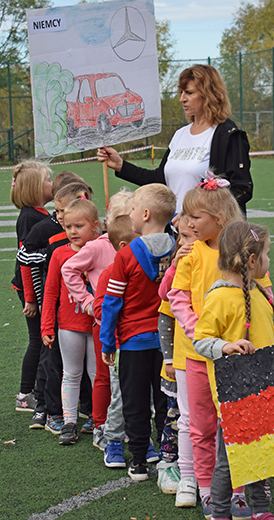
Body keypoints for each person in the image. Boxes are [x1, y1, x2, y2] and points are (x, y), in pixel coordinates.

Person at [192, 221, 274, 520]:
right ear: (251, 259)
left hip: (264, 390)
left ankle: (260, 510)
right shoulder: (220, 297)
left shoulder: (258, 293)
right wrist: (226, 346)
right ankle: (219, 513)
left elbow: (268, 335)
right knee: (229, 461)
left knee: (263, 453)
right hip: (235, 395)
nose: (269, 260)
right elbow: (201, 340)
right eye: (267, 253)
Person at [168, 178, 265, 519]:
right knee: (203, 426)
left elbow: (264, 294)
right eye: (186, 216)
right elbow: (177, 296)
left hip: (237, 359)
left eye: (195, 216)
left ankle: (236, 491)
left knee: (237, 425)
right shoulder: (191, 253)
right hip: (196, 356)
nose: (187, 223)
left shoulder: (245, 251)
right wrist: (200, 333)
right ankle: (209, 490)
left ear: (220, 217)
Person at [97, 64, 252, 213]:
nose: (182, 99)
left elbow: (242, 189)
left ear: (209, 95)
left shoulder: (228, 134)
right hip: (174, 228)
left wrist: (198, 216)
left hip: (207, 230)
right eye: (181, 92)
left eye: (189, 93)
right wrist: (120, 165)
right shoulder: (180, 134)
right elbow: (160, 180)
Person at [100, 184, 177, 481]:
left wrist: (108, 342)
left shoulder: (126, 256)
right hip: (168, 342)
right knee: (166, 401)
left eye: (132, 209)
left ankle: (139, 460)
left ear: (145, 214)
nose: (129, 214)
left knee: (134, 402)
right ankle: (169, 457)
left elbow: (111, 303)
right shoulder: (179, 249)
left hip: (133, 342)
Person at [61, 188, 134, 442]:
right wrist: (87, 301)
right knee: (104, 375)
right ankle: (100, 425)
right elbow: (68, 269)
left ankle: (128, 424)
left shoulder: (139, 244)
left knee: (130, 376)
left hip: (134, 322)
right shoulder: (98, 246)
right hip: (107, 323)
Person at [21, 180, 94, 431]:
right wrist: (35, 303)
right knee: (54, 364)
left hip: (91, 321)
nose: (61, 217)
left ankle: (93, 412)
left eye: (64, 211)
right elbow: (44, 281)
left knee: (93, 372)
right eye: (59, 211)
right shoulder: (55, 243)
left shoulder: (98, 243)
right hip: (62, 320)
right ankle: (49, 410)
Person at [41, 198, 101, 444]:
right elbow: (50, 292)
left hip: (97, 324)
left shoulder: (102, 248)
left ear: (95, 225)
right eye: (68, 227)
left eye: (79, 226)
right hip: (69, 325)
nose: (73, 231)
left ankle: (99, 418)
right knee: (71, 373)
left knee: (97, 374)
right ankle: (69, 422)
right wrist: (47, 326)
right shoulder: (59, 254)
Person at [92, 215, 143, 468]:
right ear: (124, 246)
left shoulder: (146, 269)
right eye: (140, 241)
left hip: (143, 343)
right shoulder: (110, 274)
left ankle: (140, 438)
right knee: (121, 395)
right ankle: (112, 439)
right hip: (123, 345)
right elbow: (100, 309)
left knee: (143, 397)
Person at [156, 214, 195, 499]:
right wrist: (169, 360)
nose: (184, 243)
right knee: (175, 417)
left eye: (190, 237)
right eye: (181, 237)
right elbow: (165, 318)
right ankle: (168, 462)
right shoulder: (179, 272)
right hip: (177, 364)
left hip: (202, 363)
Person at [10, 161, 54, 414]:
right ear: (36, 188)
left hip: (38, 286)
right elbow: (25, 261)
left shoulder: (41, 213)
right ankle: (26, 394)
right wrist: (31, 298)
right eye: (48, 180)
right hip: (31, 289)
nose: (52, 183)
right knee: (37, 340)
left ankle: (41, 389)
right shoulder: (29, 218)